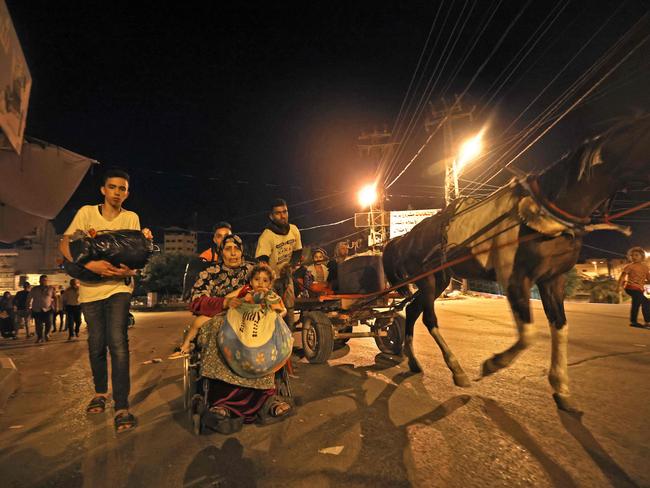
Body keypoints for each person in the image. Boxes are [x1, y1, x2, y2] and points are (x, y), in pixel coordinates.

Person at [59, 168, 152, 433]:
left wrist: (130, 270)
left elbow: (135, 256)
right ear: (103, 190)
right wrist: (92, 264)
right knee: (96, 344)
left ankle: (122, 406)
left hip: (118, 288)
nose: (117, 192)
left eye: (122, 188)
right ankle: (100, 392)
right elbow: (64, 244)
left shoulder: (131, 217)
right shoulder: (86, 213)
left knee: (118, 344)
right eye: (112, 187)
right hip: (89, 289)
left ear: (127, 193)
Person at [182, 235, 292, 430]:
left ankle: (268, 400)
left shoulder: (253, 271)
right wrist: (223, 302)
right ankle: (223, 403)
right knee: (218, 331)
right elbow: (197, 301)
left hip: (252, 319)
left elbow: (270, 289)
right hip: (221, 316)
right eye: (227, 248)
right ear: (220, 251)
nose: (233, 253)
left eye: (237, 249)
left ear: (242, 251)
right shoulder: (210, 273)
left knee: (263, 334)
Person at [255, 199, 302, 328]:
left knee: (289, 308)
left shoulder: (294, 230)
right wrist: (270, 276)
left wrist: (290, 266)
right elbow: (261, 260)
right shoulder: (267, 236)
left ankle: (289, 336)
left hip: (286, 277)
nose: (283, 216)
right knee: (273, 310)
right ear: (271, 216)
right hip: (272, 281)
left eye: (285, 211)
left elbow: (298, 251)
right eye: (278, 213)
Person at [618, 247, 650, 327]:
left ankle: (647, 322)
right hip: (631, 287)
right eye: (632, 255)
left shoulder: (645, 267)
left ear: (642, 256)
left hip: (640, 288)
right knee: (639, 302)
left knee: (645, 303)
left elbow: (648, 278)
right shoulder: (629, 266)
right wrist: (619, 286)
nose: (634, 257)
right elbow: (622, 277)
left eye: (636, 255)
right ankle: (634, 321)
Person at [29, 275, 55, 343]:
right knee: (38, 325)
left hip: (48, 309)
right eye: (42, 280)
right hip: (37, 309)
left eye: (45, 280)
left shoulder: (51, 288)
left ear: (47, 281)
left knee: (49, 323)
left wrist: (56, 306)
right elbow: (29, 298)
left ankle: (47, 334)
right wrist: (27, 307)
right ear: (39, 281)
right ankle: (39, 337)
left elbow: (55, 297)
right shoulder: (34, 289)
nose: (44, 281)